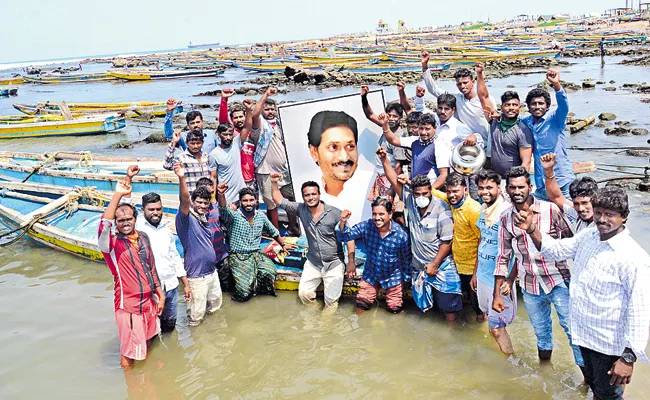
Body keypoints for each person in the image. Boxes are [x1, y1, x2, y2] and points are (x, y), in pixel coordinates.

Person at [518, 186, 650, 399]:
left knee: (610, 396)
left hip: (609, 346)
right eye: (598, 213)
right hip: (585, 337)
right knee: (598, 391)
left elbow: (641, 312)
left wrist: (628, 358)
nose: (601, 219)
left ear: (624, 217)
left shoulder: (634, 258)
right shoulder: (589, 235)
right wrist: (532, 229)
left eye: (609, 214)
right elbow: (556, 250)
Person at [493, 166, 585, 373]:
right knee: (542, 333)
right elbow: (503, 255)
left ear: (530, 187)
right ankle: (545, 372)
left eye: (521, 187)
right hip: (529, 284)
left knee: (573, 331)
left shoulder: (549, 210)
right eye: (512, 187)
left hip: (558, 280)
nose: (517, 191)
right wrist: (497, 293)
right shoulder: (506, 218)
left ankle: (589, 382)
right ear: (506, 189)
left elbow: (571, 242)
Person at [379, 148, 461, 322]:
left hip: (441, 266)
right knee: (425, 310)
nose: (421, 197)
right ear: (413, 193)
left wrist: (435, 264)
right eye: (418, 194)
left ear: (430, 191)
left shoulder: (442, 208)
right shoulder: (410, 202)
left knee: (450, 309)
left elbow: (447, 241)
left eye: (425, 193)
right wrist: (385, 159)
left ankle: (451, 336)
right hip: (419, 267)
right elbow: (393, 179)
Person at [98, 173, 164, 369]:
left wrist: (160, 294)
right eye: (120, 221)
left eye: (129, 219)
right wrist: (117, 196)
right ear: (116, 225)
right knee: (129, 356)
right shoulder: (111, 245)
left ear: (136, 219)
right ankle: (133, 390)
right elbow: (104, 225)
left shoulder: (143, 237)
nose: (125, 222)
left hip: (148, 302)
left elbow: (151, 267)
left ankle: (148, 379)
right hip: (128, 307)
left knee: (149, 340)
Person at [270, 173, 356, 308]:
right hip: (313, 262)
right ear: (303, 197)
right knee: (304, 295)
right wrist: (274, 182)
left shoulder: (334, 213)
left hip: (334, 264)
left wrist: (351, 262)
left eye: (313, 194)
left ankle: (323, 326)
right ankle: (315, 314)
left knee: (331, 303)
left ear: (319, 195)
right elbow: (279, 200)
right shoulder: (301, 209)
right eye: (307, 195)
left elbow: (349, 238)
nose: (311, 198)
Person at [217, 183, 292, 301]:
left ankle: (263, 302)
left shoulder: (261, 217)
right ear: (240, 202)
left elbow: (274, 232)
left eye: (251, 200)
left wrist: (283, 244)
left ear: (256, 201)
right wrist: (221, 194)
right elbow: (223, 209)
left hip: (256, 255)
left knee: (269, 272)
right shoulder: (234, 216)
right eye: (245, 200)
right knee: (244, 292)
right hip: (238, 257)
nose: (248, 203)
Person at [336, 197, 411, 313]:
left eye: (381, 214)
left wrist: (405, 280)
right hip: (371, 273)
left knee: (395, 308)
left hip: (392, 276)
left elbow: (406, 259)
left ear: (390, 214)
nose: (377, 218)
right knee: (361, 305)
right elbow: (344, 237)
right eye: (374, 214)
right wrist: (343, 222)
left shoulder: (401, 235)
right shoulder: (367, 226)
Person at [470, 169, 518, 353]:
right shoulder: (484, 208)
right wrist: (475, 273)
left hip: (499, 279)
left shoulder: (507, 212)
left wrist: (510, 279)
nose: (485, 191)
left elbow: (518, 248)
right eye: (481, 188)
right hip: (483, 276)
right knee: (490, 320)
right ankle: (498, 354)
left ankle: (511, 363)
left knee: (498, 329)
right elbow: (482, 240)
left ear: (499, 187)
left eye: (489, 187)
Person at [173, 162, 223, 327]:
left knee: (215, 310)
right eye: (199, 202)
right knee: (195, 317)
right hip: (196, 277)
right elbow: (184, 199)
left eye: (205, 203)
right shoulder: (186, 219)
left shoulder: (206, 218)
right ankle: (198, 346)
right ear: (193, 202)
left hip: (212, 272)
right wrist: (181, 178)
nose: (202, 206)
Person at [136, 191, 191, 333]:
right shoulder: (137, 231)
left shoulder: (166, 230)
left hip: (171, 285)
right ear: (143, 210)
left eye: (158, 209)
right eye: (151, 209)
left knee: (170, 326)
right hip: (150, 289)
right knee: (150, 329)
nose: (156, 213)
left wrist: (185, 283)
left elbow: (174, 257)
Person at [431, 173, 483, 321]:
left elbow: (482, 240)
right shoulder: (449, 201)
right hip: (456, 264)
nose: (452, 195)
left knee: (478, 308)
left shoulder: (474, 210)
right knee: (461, 302)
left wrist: (476, 273)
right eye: (449, 191)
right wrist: (407, 180)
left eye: (456, 191)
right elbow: (432, 191)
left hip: (472, 266)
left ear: (465, 190)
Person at [307, 109, 374, 223]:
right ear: (314, 152)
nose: (344, 157)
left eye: (350, 146)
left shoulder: (373, 185)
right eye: (333, 147)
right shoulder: (308, 193)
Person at [251, 87, 300, 235]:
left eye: (272, 109)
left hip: (284, 171)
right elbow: (254, 114)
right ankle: (275, 231)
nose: (270, 111)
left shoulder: (280, 124)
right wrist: (265, 95)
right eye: (267, 109)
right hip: (265, 171)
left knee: (291, 199)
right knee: (271, 203)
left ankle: (293, 226)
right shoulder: (260, 126)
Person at [421, 51, 495, 146]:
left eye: (465, 82)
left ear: (473, 82)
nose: (462, 86)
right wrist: (425, 67)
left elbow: (494, 122)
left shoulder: (485, 100)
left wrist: (479, 73)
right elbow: (433, 90)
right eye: (459, 84)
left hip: (488, 145)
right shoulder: (456, 99)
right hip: (466, 144)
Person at [523, 70, 574, 201]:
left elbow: (564, 106)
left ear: (547, 106)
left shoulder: (555, 119)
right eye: (533, 104)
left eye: (541, 103)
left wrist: (556, 85)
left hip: (562, 181)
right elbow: (512, 118)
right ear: (528, 107)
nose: (537, 107)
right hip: (542, 186)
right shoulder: (527, 121)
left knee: (570, 217)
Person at [475, 62, 533, 176]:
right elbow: (483, 97)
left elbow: (526, 161)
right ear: (501, 107)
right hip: (495, 177)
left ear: (520, 108)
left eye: (514, 105)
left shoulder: (523, 130)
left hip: (512, 179)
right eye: (507, 105)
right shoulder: (494, 120)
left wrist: (518, 181)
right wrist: (479, 74)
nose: (511, 108)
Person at [379, 112, 450, 189]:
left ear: (435, 128)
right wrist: (385, 125)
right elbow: (393, 140)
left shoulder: (440, 146)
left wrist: (428, 192)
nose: (423, 132)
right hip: (415, 189)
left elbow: (443, 175)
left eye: (427, 129)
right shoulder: (415, 140)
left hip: (431, 192)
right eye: (421, 128)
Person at [360, 85, 405, 201]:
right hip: (380, 176)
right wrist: (364, 97)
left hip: (389, 179)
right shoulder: (385, 126)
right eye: (389, 115)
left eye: (395, 116)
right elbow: (369, 114)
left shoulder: (399, 136)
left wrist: (393, 187)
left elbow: (399, 166)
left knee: (387, 209)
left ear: (400, 118)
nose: (391, 119)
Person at [541, 153, 597, 233]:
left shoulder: (604, 223)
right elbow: (556, 197)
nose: (581, 208)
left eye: (585, 203)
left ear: (595, 200)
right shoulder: (576, 213)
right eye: (576, 204)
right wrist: (549, 170)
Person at [195, 177, 232, 291]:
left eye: (212, 193)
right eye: (207, 193)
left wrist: (221, 195)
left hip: (221, 256)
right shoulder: (192, 213)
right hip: (203, 260)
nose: (210, 197)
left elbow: (226, 215)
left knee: (225, 290)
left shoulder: (216, 207)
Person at [218, 90, 258, 196]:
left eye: (241, 116)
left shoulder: (251, 133)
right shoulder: (233, 135)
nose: (239, 119)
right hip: (236, 178)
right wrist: (224, 100)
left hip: (251, 177)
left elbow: (249, 125)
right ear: (231, 119)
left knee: (253, 205)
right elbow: (223, 121)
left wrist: (249, 109)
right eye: (235, 117)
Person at [163, 129, 217, 194]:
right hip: (190, 197)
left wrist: (213, 196)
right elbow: (167, 165)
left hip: (206, 197)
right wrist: (174, 143)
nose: (195, 146)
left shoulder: (207, 157)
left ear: (202, 143)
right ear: (187, 143)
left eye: (198, 143)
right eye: (192, 143)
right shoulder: (182, 158)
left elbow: (212, 177)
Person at [209, 121, 249, 205]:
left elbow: (247, 127)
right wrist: (212, 197)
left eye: (230, 135)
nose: (228, 137)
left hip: (241, 194)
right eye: (225, 134)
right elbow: (213, 177)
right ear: (218, 134)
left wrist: (248, 109)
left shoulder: (236, 144)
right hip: (226, 196)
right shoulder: (214, 154)